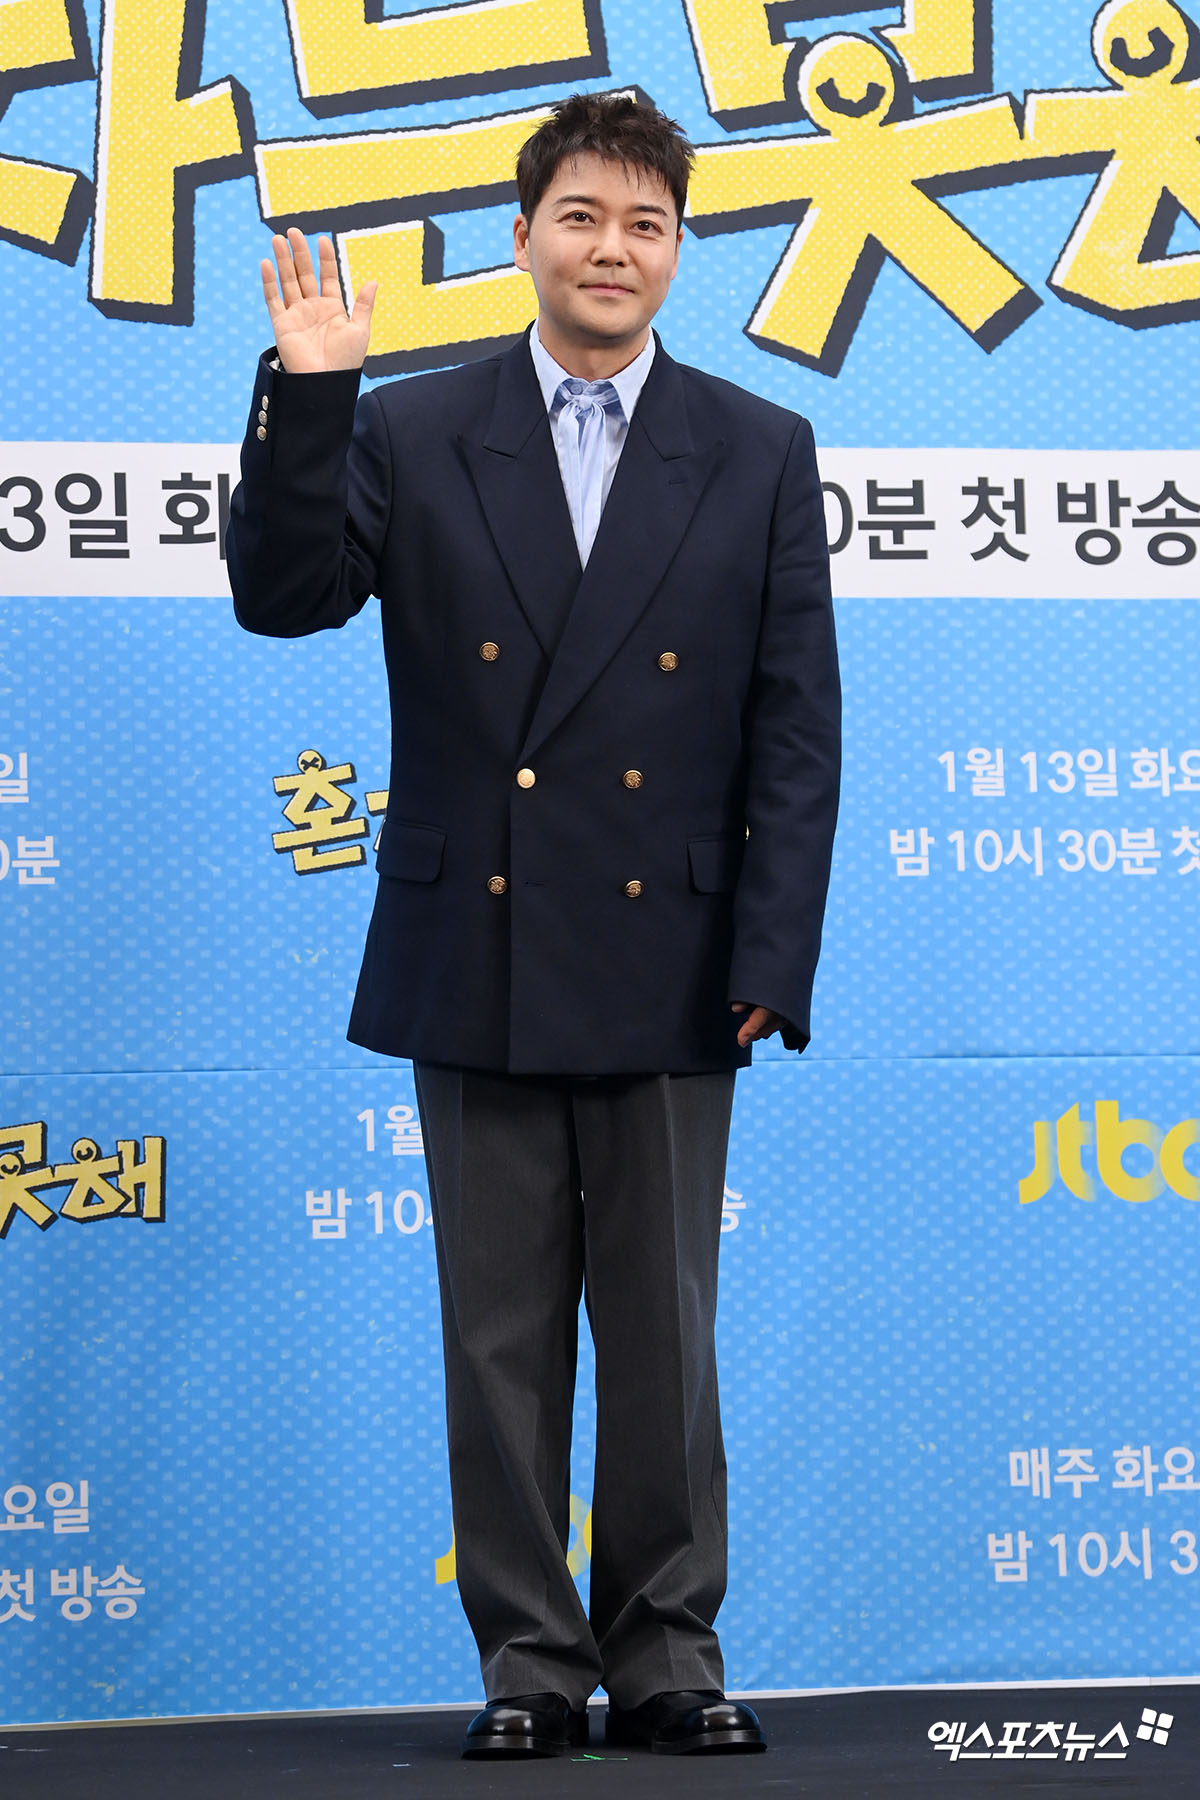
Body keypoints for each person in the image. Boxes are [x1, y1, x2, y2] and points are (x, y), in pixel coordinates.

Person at [227, 93, 840, 1759]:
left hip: (677, 960)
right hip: (477, 943)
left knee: (663, 1337)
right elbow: (283, 597)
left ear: (678, 251)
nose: (612, 250)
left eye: (646, 224)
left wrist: (771, 957)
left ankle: (669, 1655)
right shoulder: (413, 428)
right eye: (582, 216)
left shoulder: (758, 445)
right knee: (496, 1338)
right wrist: (310, 394)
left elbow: (796, 725)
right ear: (523, 237)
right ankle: (529, 1665)